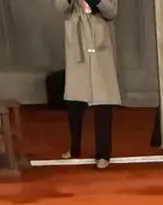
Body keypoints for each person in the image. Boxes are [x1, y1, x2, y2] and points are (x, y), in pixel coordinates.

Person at [53, 0, 121, 169]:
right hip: (78, 42)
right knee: (75, 98)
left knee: (103, 99)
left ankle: (103, 154)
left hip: (100, 42)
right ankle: (75, 148)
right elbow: (60, 7)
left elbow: (111, 11)